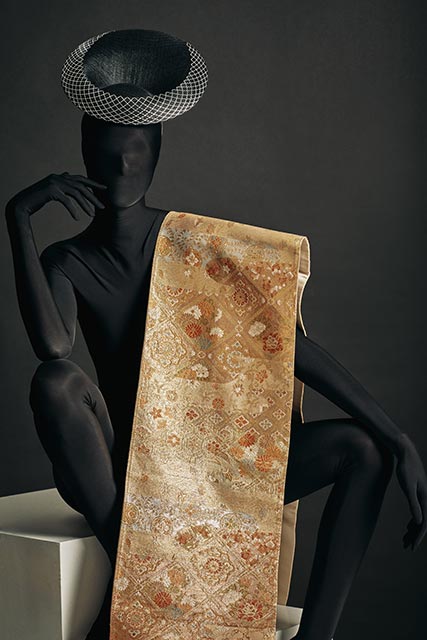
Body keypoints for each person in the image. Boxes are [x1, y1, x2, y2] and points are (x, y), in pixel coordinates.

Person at [5, 110, 427, 640]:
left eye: (138, 149)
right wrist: (18, 216)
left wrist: (397, 437)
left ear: (158, 154)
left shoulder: (195, 244)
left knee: (364, 449)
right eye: (109, 150)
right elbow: (52, 346)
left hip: (212, 461)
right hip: (124, 474)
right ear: (86, 154)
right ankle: (145, 566)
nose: (124, 164)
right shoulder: (66, 261)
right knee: (55, 381)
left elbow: (286, 346)